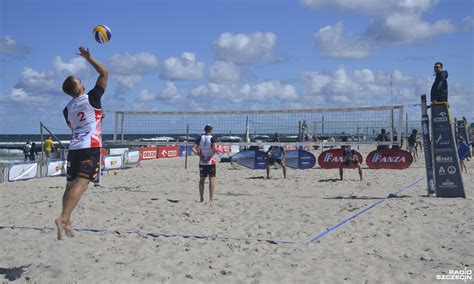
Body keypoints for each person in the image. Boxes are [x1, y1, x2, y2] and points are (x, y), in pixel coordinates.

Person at [55, 47, 108, 240]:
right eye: (80, 81)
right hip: (90, 147)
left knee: (70, 186)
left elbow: (74, 125)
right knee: (82, 183)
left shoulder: (66, 108)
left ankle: (67, 221)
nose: (83, 82)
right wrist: (88, 57)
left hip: (75, 147)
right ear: (80, 88)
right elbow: (104, 73)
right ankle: (63, 219)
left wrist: (97, 117)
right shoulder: (92, 98)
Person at [192, 124, 218, 202]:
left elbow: (193, 148)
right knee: (212, 180)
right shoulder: (213, 138)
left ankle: (201, 198)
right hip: (210, 161)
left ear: (205, 130)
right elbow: (215, 149)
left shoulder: (200, 138)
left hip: (202, 161)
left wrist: (200, 156)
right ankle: (211, 199)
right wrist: (209, 157)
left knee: (202, 180)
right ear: (211, 130)